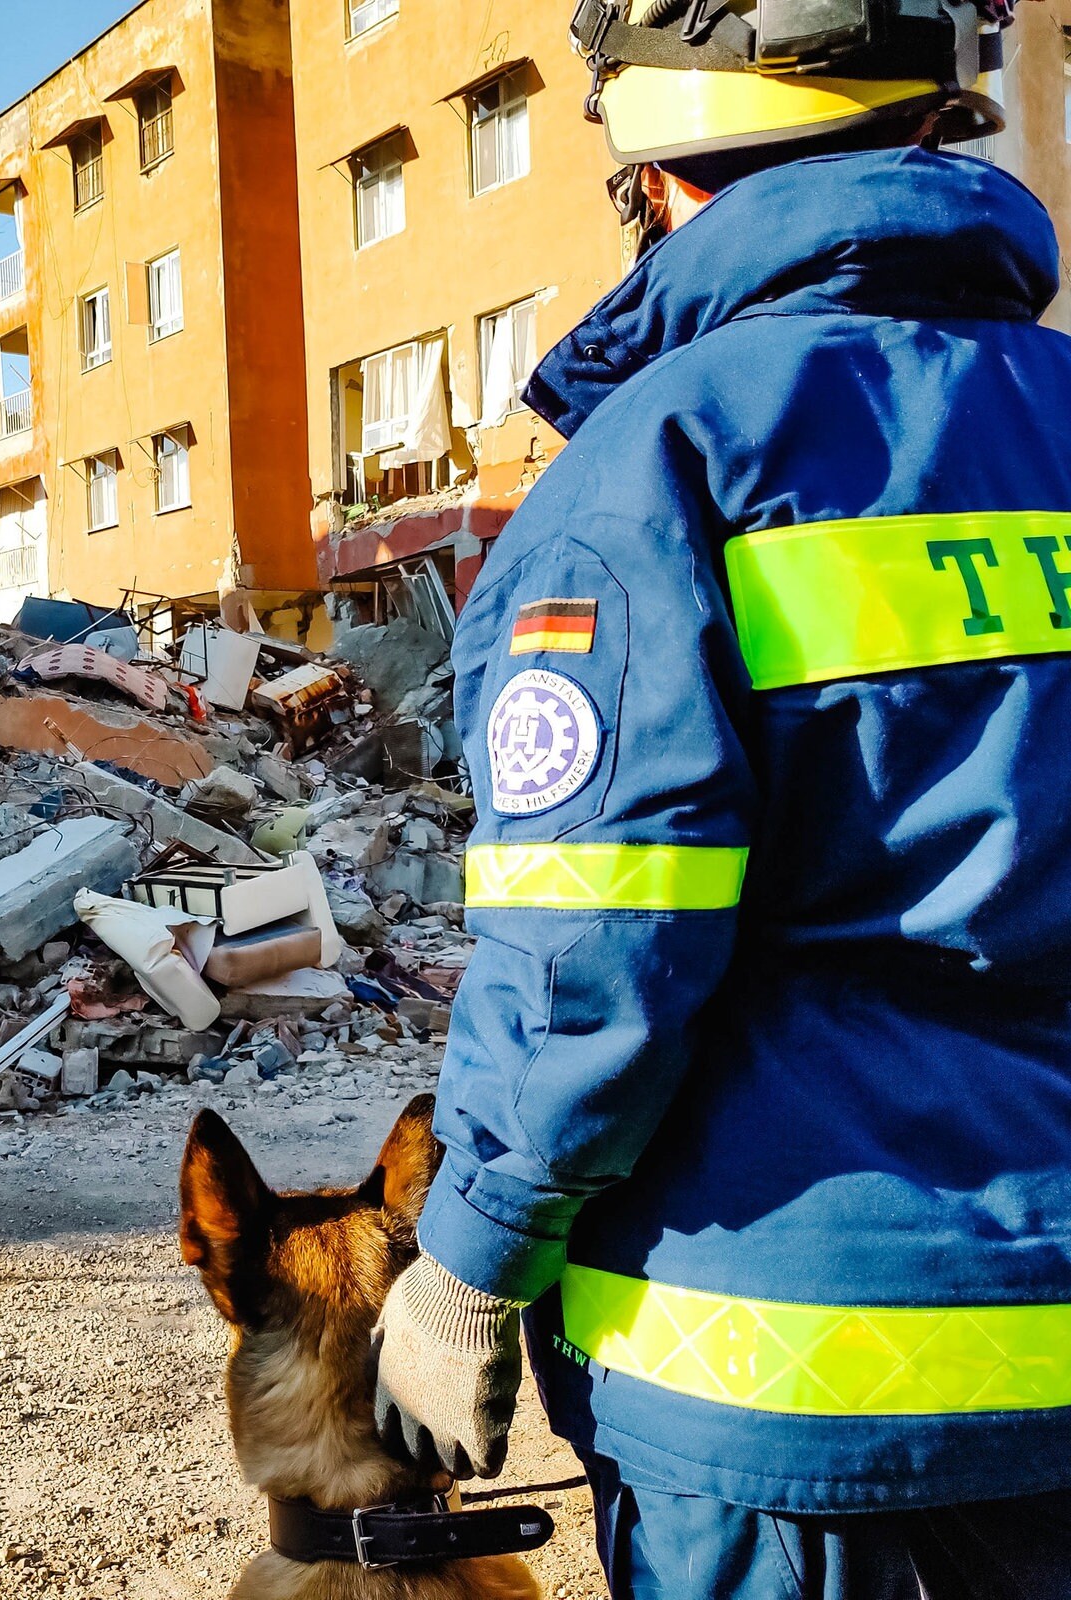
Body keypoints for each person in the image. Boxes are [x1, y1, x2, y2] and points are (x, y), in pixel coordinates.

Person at [372, 0, 1071, 1592]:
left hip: (801, 1396)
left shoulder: (657, 466)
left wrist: (473, 1255)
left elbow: (597, 949)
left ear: (662, 177)